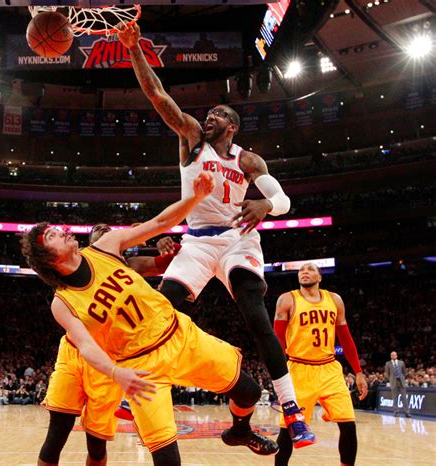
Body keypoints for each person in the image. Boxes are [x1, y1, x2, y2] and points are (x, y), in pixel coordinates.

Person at [116, 22, 315, 448]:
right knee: (161, 306)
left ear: (232, 127)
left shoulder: (250, 161)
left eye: (218, 115)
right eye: (207, 115)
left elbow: (283, 203)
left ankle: (292, 410)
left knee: (254, 314)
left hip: (238, 239)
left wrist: (264, 205)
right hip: (198, 242)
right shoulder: (191, 138)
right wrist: (134, 50)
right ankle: (131, 391)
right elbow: (158, 96)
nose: (208, 117)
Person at [21, 173, 278, 466]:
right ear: (48, 258)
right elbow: (86, 347)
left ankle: (239, 431)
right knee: (167, 459)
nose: (62, 231)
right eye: (52, 235)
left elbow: (159, 223)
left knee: (250, 392)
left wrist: (194, 197)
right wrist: (116, 373)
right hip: (141, 368)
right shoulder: (62, 302)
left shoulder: (106, 246)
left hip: (179, 336)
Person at [35, 224, 182, 465]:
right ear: (89, 246)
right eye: (98, 233)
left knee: (96, 443)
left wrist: (162, 245)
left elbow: (168, 260)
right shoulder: (77, 267)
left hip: (105, 359)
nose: (105, 232)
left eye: (108, 230)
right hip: (74, 352)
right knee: (57, 432)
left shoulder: (127, 265)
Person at [274, 262, 368, 466]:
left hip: (329, 369)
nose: (305, 272)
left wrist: (358, 372)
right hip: (299, 369)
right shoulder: (287, 300)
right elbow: (277, 340)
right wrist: (279, 374)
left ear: (320, 277)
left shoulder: (334, 300)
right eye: (301, 270)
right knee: (290, 428)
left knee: (348, 424)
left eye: (310, 270)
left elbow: (346, 338)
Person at [385, 351, 410, 417]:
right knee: (394, 398)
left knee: (404, 397)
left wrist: (402, 378)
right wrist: (390, 379)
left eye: (394, 355)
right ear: (391, 356)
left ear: (397, 356)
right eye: (392, 355)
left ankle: (407, 412)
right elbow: (387, 373)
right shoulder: (388, 364)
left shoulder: (401, 362)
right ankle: (396, 411)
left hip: (401, 381)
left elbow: (404, 372)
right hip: (393, 381)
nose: (393, 356)